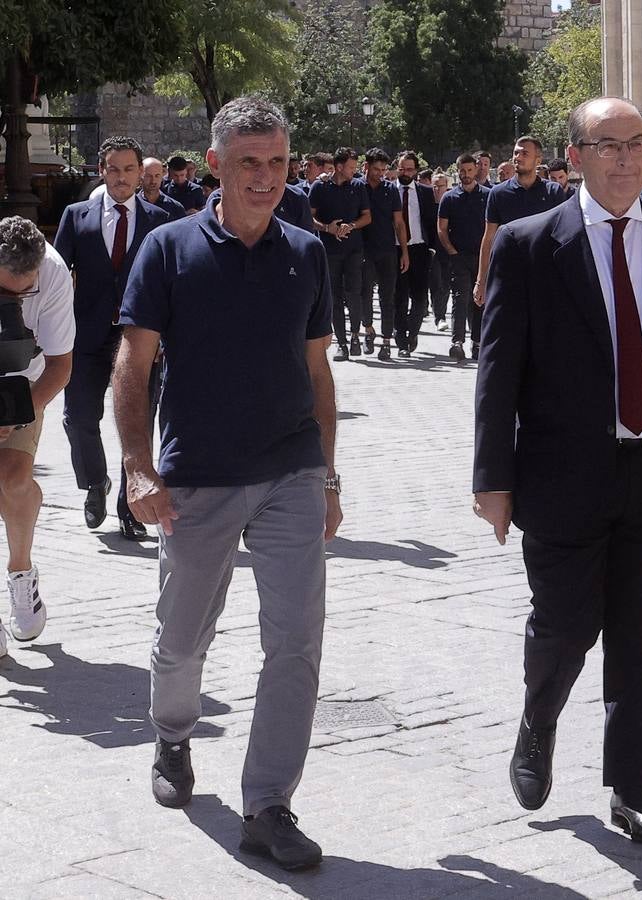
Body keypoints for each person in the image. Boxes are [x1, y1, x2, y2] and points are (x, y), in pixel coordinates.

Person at [473, 97, 642, 847]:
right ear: (574, 158)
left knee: (640, 634)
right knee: (563, 627)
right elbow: (498, 373)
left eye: (637, 145)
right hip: (563, 475)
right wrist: (491, 478)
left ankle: (631, 788)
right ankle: (538, 719)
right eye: (608, 146)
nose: (627, 159)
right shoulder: (530, 245)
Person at [112, 95, 341, 869]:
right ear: (215, 164)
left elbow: (318, 372)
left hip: (290, 472)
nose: (267, 177)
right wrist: (139, 467)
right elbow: (132, 366)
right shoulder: (167, 249)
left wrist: (330, 477)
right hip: (198, 479)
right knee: (182, 641)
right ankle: (172, 735)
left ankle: (268, 802)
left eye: (278, 162)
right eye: (250, 162)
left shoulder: (305, 252)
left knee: (297, 643)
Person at [55, 135, 170, 540]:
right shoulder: (76, 216)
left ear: (141, 174)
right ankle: (95, 482)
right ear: (101, 170)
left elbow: (170, 285)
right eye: (113, 169)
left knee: (137, 422)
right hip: (85, 336)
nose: (121, 178)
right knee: (78, 417)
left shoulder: (160, 222)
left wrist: (165, 341)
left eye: (129, 169)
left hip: (140, 340)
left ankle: (129, 506)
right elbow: (55, 277)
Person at [0, 217, 75, 657]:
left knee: (11, 479)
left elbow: (60, 366)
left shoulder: (54, 273)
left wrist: (18, 416)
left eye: (21, 295)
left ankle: (21, 572)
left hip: (23, 384)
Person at [474, 137, 565, 309]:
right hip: (508, 275)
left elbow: (563, 236)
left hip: (544, 276)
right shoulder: (498, 194)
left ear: (537, 160)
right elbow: (488, 238)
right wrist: (481, 281)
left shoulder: (553, 192)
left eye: (525, 153)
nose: (518, 157)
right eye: (516, 152)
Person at [309, 147, 372, 361]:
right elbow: (309, 218)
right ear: (339, 167)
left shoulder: (358, 187)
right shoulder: (319, 187)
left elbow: (367, 217)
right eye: (351, 167)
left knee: (354, 293)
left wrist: (351, 226)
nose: (354, 171)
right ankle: (342, 343)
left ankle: (355, 336)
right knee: (334, 297)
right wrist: (328, 228)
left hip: (354, 249)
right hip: (330, 250)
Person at [437, 153, 490, 361]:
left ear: (476, 170)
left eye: (469, 170)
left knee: (480, 299)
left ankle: (477, 342)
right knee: (460, 298)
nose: (466, 175)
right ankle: (456, 341)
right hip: (458, 256)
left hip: (481, 257)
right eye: (462, 171)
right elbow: (442, 229)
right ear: (457, 171)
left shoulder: (488, 195)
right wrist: (452, 251)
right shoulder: (449, 198)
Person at [360, 147, 409, 361]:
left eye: (383, 169)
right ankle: (368, 329)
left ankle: (387, 341)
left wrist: (404, 252)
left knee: (387, 298)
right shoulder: (356, 188)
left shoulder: (390, 190)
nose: (380, 173)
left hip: (387, 251)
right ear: (366, 167)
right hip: (363, 251)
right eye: (376, 169)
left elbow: (399, 222)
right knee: (364, 295)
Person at [392, 151, 437, 357]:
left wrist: (433, 249)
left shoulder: (426, 193)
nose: (405, 173)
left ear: (416, 170)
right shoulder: (390, 191)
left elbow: (431, 221)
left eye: (409, 169)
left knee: (420, 299)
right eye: (402, 168)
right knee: (399, 297)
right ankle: (401, 341)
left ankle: (412, 331)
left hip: (419, 249)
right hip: (394, 249)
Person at [429, 172, 452, 332]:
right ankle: (438, 314)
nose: (437, 189)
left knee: (444, 284)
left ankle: (440, 316)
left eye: (440, 186)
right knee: (435, 285)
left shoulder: (451, 202)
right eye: (434, 186)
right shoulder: (427, 204)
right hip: (429, 251)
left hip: (446, 250)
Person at [139, 157, 186, 221]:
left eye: (157, 176)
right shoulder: (131, 206)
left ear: (162, 177)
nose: (153, 181)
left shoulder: (176, 208)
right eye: (148, 176)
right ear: (140, 176)